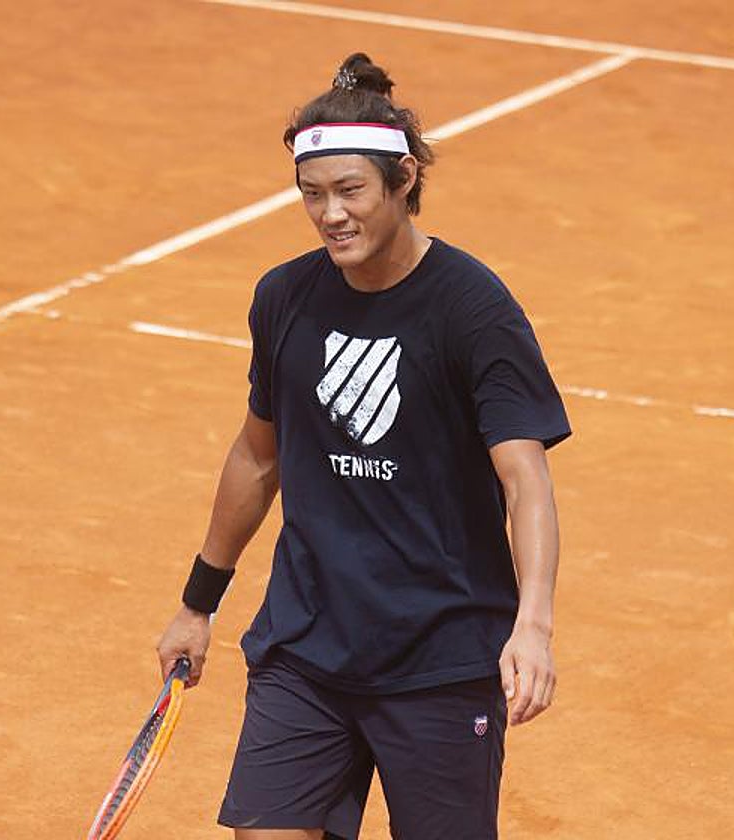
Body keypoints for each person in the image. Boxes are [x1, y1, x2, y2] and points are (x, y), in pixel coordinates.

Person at [156, 52, 571, 840]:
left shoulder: (473, 309)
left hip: (440, 660)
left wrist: (535, 625)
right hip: (306, 646)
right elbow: (257, 456)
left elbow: (525, 480)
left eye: (349, 192)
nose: (329, 215)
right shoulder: (284, 298)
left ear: (404, 178)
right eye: (312, 195)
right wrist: (195, 605)